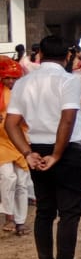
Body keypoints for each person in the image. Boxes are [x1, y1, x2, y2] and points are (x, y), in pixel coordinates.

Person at [4, 36, 81, 259]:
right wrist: (57, 154)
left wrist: (27, 152)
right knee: (69, 213)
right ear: (67, 56)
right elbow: (67, 120)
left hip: (37, 148)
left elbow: (10, 123)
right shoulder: (69, 80)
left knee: (45, 211)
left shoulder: (23, 83)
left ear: (39, 55)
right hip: (64, 149)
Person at [0, 56, 30, 236]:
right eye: (7, 78)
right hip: (1, 142)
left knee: (22, 183)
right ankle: (8, 215)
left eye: (14, 78)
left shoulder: (23, 94)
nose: (11, 81)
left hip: (19, 141)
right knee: (7, 176)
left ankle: (20, 222)